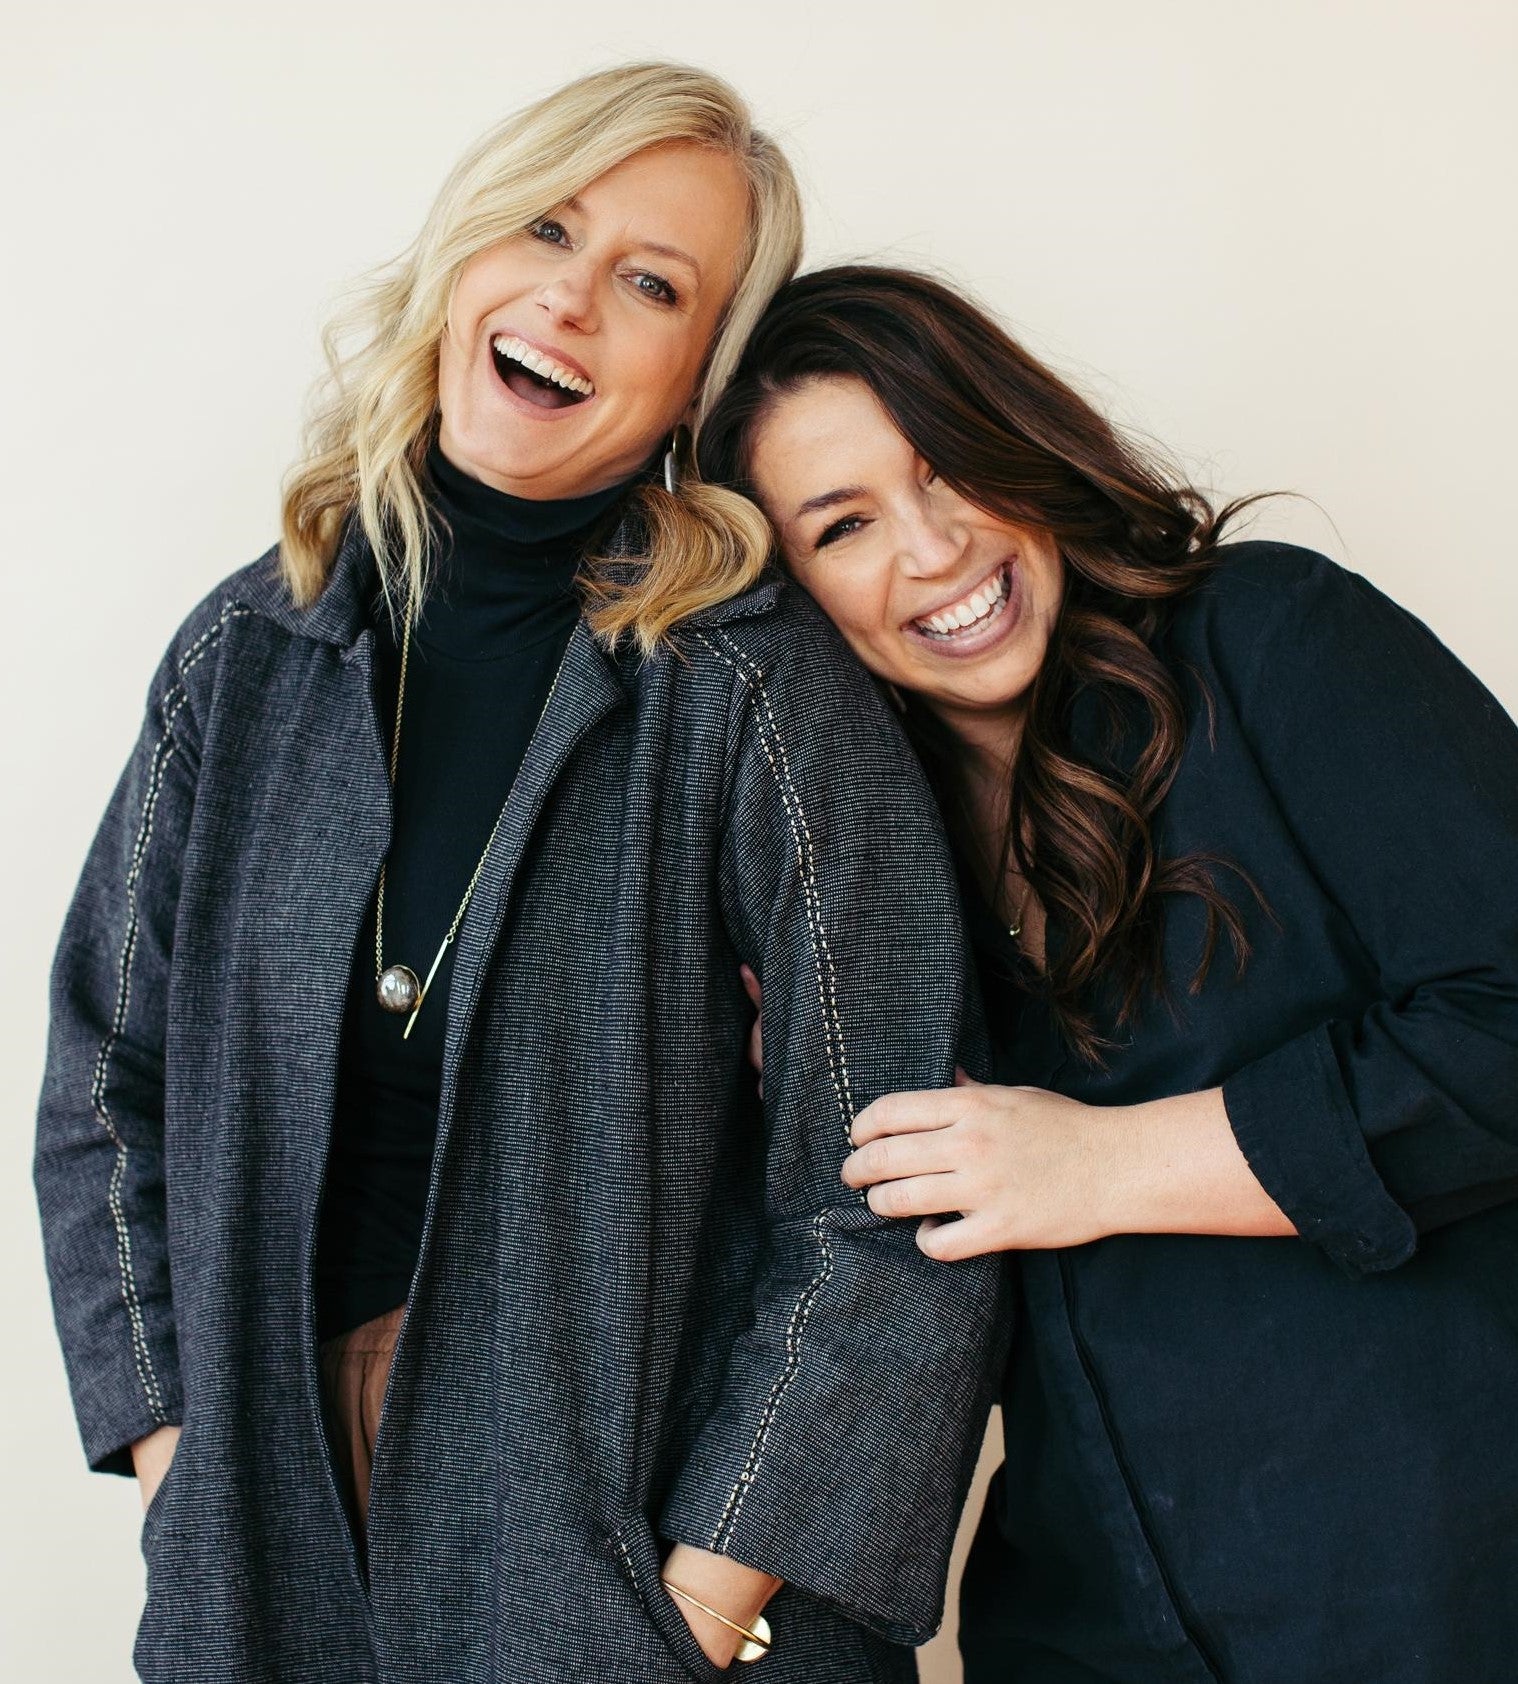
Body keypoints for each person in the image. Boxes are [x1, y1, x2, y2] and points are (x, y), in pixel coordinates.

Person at [33, 82, 1007, 1684]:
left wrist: (703, 1603)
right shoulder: (250, 652)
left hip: (636, 1544)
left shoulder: (752, 686)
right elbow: (102, 1087)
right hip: (278, 1535)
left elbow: (895, 1179)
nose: (569, 296)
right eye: (547, 227)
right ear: (463, 254)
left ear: (697, 378)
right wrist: (181, 1475)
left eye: (652, 283)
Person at [699, 264, 1518, 1684]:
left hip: (1432, 1589)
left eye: (947, 466)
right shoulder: (855, 861)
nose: (934, 548)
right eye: (844, 525)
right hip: (1081, 1615)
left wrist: (1098, 1164)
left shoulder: (1269, 636)